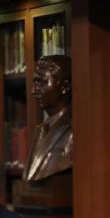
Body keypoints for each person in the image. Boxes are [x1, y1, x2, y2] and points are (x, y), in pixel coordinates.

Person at [23, 54, 73, 183]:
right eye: (35, 83)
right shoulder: (40, 129)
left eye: (42, 82)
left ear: (65, 87)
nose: (34, 90)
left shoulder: (74, 128)